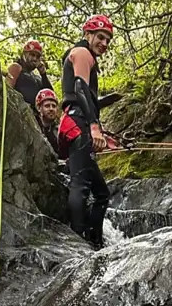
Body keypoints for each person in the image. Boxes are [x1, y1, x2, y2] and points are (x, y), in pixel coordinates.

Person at [57, 14, 118, 250]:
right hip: (79, 123)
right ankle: (78, 242)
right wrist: (93, 126)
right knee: (81, 185)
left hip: (79, 122)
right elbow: (80, 89)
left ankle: (94, 242)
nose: (104, 43)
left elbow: (86, 96)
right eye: (100, 37)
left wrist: (100, 130)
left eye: (107, 40)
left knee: (101, 193)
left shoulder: (86, 56)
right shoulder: (82, 53)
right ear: (88, 35)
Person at [6, 40, 53, 108]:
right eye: (32, 54)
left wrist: (43, 75)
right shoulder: (16, 67)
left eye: (37, 57)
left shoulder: (37, 78)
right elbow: (7, 91)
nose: (34, 59)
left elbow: (50, 97)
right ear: (24, 54)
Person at [35, 88, 60, 154]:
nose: (51, 109)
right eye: (47, 106)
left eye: (54, 106)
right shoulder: (32, 127)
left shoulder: (59, 131)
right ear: (39, 108)